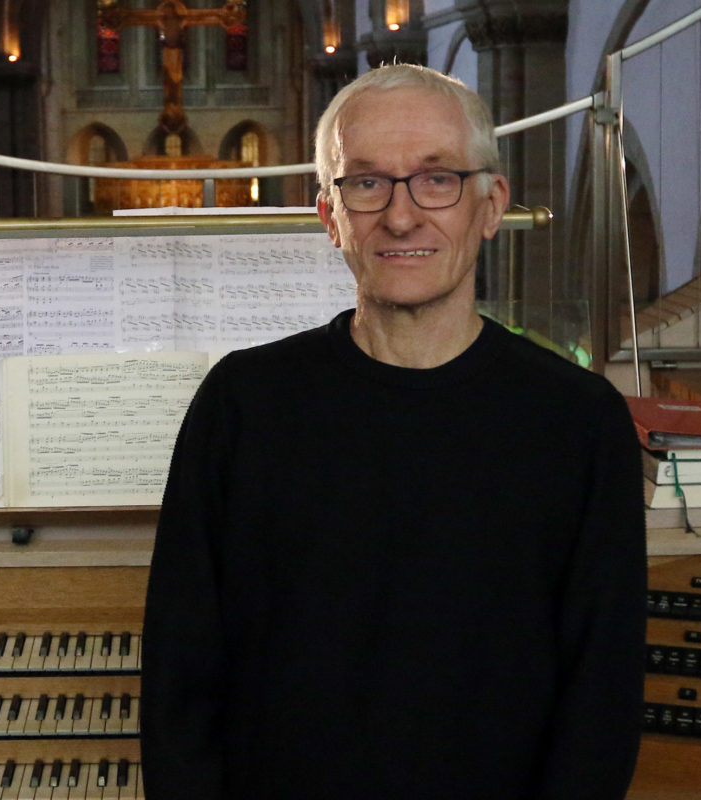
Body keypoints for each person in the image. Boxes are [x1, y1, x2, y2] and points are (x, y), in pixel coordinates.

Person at [141, 64, 647, 798]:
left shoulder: (578, 419)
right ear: (329, 216)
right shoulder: (242, 403)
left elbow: (600, 702)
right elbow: (180, 679)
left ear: (490, 203)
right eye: (367, 183)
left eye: (437, 179)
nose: (402, 216)